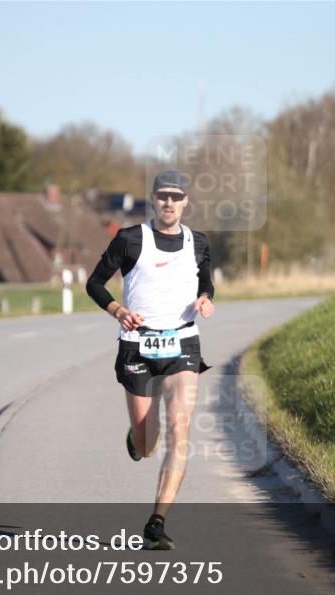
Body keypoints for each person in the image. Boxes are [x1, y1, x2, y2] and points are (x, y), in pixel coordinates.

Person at [85, 169, 215, 550]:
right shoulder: (130, 239)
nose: (169, 203)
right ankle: (138, 436)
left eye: (176, 196)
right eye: (163, 196)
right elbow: (94, 282)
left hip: (183, 343)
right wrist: (116, 309)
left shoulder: (198, 242)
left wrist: (205, 298)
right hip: (137, 345)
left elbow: (205, 281)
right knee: (147, 445)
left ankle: (157, 523)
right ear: (153, 199)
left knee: (179, 424)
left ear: (186, 201)